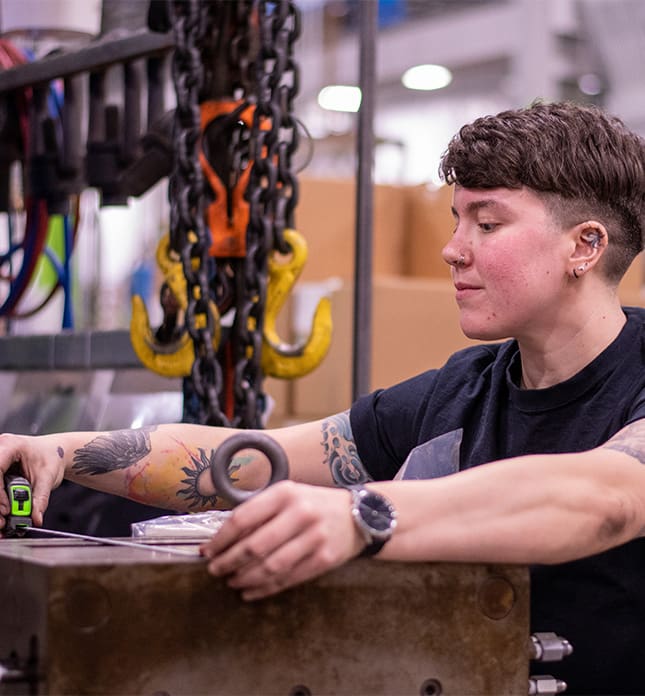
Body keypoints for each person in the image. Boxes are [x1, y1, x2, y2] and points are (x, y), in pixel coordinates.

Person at [1, 100, 645, 695]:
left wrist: (363, 516)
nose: (453, 250)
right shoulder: (461, 390)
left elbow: (607, 497)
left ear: (584, 246)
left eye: (488, 223)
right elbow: (248, 460)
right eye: (457, 220)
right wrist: (60, 449)